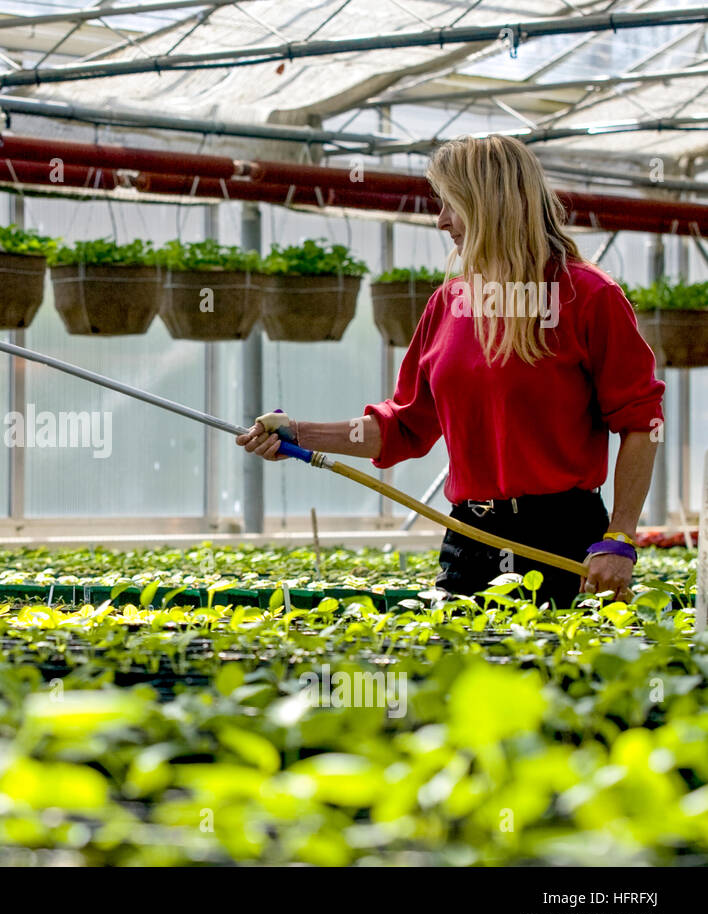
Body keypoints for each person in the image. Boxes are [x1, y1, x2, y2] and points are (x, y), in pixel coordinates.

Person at [237, 134, 664, 607]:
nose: (441, 222)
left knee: (552, 677)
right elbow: (401, 428)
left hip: (562, 539)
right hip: (469, 534)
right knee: (457, 673)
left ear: (490, 203)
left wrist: (619, 538)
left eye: (451, 204)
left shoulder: (586, 296)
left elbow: (641, 423)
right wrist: (297, 433)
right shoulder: (450, 303)